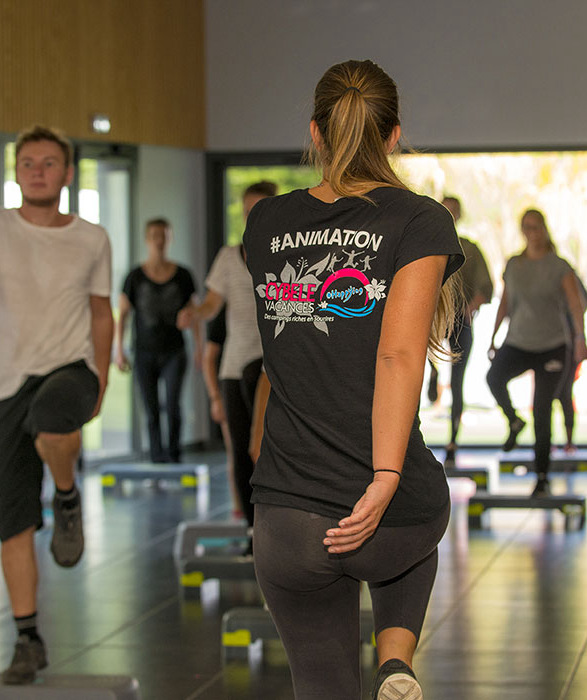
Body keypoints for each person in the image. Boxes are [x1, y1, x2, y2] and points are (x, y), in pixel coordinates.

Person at [243, 59, 463, 700]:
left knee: (320, 686)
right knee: (421, 530)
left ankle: (390, 664)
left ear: (315, 132)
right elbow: (398, 356)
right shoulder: (418, 220)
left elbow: (294, 348)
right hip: (387, 514)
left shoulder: (266, 222)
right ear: (394, 135)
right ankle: (395, 657)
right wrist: (386, 478)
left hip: (284, 513)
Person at [0, 125, 113, 685]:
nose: (37, 169)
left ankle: (66, 497)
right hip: (5, 386)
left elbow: (102, 313)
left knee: (52, 421)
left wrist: (100, 381)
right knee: (13, 523)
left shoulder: (92, 238)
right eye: (28, 162)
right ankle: (27, 638)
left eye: (49, 162)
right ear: (16, 172)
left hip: (70, 369)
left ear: (67, 173)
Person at [179, 181, 276, 528]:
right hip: (234, 365)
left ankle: (272, 523)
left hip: (270, 367)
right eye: (248, 210)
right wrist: (195, 313)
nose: (253, 217)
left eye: (260, 210)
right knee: (238, 451)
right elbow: (211, 303)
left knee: (263, 448)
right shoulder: (227, 257)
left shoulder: (286, 255)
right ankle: (252, 529)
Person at [486, 209, 587, 495]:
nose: (532, 232)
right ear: (522, 230)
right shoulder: (514, 265)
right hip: (519, 340)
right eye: (526, 227)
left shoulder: (559, 266)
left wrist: (580, 338)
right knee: (493, 378)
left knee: (542, 410)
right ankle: (514, 421)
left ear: (544, 228)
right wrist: (493, 337)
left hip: (553, 345)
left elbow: (575, 304)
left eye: (536, 226)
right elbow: (505, 303)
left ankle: (542, 476)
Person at [116, 219, 200, 463]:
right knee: (151, 409)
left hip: (174, 350)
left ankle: (174, 456)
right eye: (154, 235)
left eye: (163, 235)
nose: (159, 240)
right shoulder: (134, 277)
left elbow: (194, 313)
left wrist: (199, 349)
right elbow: (122, 315)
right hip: (144, 352)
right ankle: (156, 458)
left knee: (173, 405)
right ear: (147, 239)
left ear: (170, 238)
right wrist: (118, 350)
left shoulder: (183, 275)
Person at [431, 196, 493, 468]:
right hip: (430, 319)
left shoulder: (469, 249)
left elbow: (486, 287)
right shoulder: (427, 244)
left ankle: (453, 441)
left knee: (457, 384)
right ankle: (432, 375)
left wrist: (471, 306)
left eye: (452, 211)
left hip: (459, 320)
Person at [556, 272, 587, 453]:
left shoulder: (566, 275)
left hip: (567, 345)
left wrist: (579, 340)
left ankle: (569, 441)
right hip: (548, 343)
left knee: (564, 394)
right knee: (546, 397)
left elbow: (581, 304)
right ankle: (548, 441)